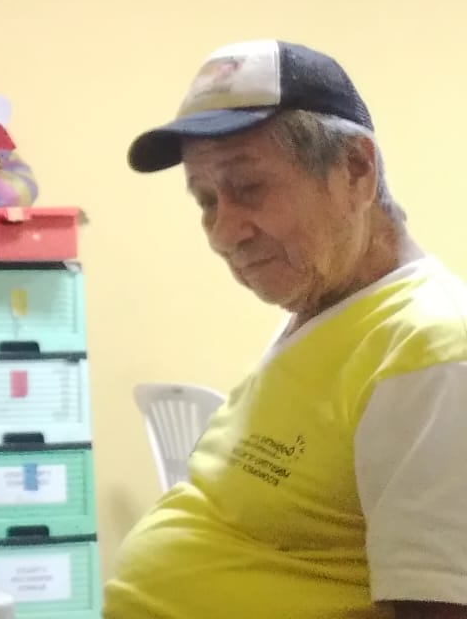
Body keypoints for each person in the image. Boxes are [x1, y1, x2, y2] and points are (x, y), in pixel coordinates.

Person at [104, 39, 467, 619]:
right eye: (206, 201)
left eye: (248, 188)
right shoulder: (324, 310)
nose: (223, 233)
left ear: (355, 169)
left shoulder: (430, 350)